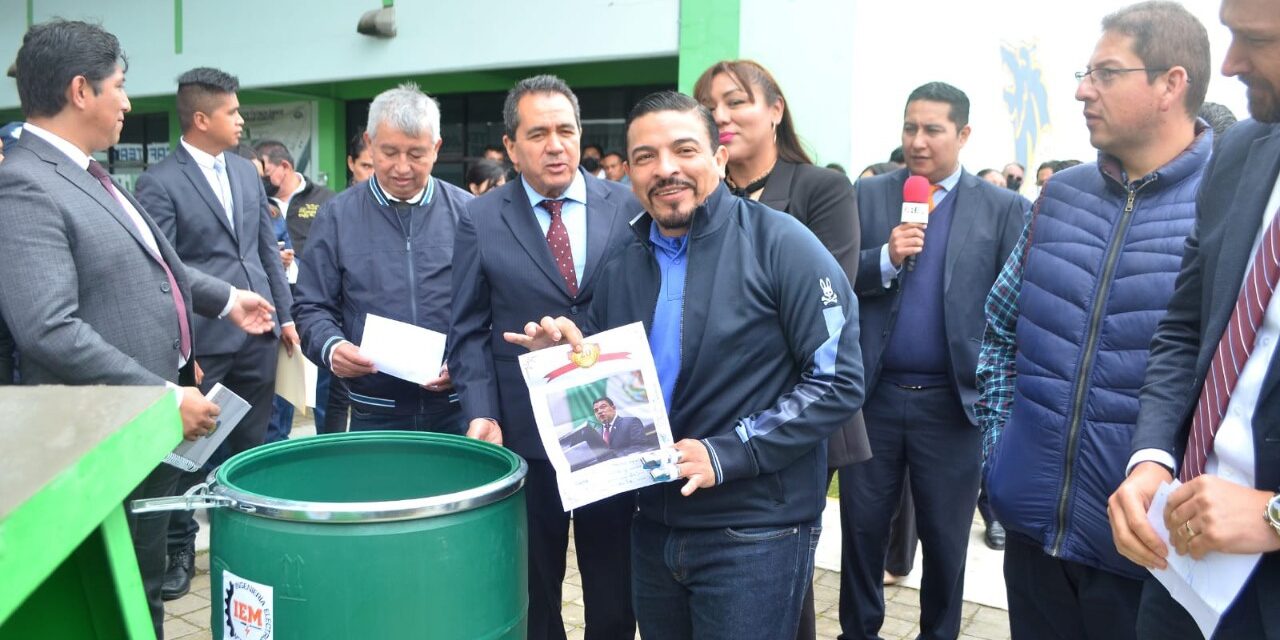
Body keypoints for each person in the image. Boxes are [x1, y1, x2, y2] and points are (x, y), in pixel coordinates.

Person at [505, 89, 864, 640]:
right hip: (652, 525)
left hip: (754, 530)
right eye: (645, 157)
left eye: (684, 149)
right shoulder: (625, 262)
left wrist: (730, 452)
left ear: (719, 157)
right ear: (629, 172)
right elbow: (620, 386)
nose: (665, 169)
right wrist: (573, 360)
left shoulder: (782, 244)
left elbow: (837, 379)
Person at [0, 20, 276, 638]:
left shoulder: (88, 174)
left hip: (142, 422)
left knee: (142, 579)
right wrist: (161, 393)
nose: (127, 102)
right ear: (80, 90)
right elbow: (48, 328)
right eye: (119, 87)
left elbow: (161, 268)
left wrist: (228, 299)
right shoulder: (25, 184)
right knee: (120, 585)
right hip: (98, 433)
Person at [976, 3, 1213, 638]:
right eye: (1086, 72)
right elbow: (1000, 332)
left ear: (1171, 84)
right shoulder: (1060, 198)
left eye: (1106, 73)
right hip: (1034, 541)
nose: (1082, 89)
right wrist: (1001, 454)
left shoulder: (1227, 206)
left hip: (1152, 555)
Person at [449, 74, 641, 640]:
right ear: (511, 146)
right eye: (538, 134)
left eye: (565, 130)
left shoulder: (628, 206)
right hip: (525, 434)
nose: (555, 145)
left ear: (580, 135)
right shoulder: (481, 218)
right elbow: (465, 328)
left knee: (613, 584)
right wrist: (480, 411)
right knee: (536, 589)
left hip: (612, 428)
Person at [1109, 0, 1280, 636]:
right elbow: (1185, 328)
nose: (1230, 63)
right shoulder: (1241, 150)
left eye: (1253, 40)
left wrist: (1274, 516)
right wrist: (1151, 458)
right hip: (1185, 563)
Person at [839, 81, 1029, 640]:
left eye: (932, 130)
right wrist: (884, 258)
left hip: (954, 407)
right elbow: (836, 281)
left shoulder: (1003, 209)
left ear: (963, 134)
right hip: (873, 399)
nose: (917, 141)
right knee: (861, 531)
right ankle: (858, 630)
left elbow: (1014, 307)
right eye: (909, 128)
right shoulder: (868, 196)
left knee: (947, 541)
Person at [693, 59, 869, 640]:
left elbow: (825, 308)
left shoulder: (820, 189)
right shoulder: (693, 196)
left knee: (780, 581)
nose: (721, 115)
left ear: (775, 110)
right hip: (706, 417)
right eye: (709, 105)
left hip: (795, 413)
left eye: (736, 101)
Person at [134, 66, 299, 602]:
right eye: (232, 112)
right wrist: (182, 352)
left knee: (248, 446)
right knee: (186, 455)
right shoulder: (158, 183)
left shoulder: (246, 172)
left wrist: (287, 315)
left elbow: (264, 249)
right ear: (201, 118)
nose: (241, 119)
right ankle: (179, 547)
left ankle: (242, 542)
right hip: (205, 343)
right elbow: (164, 270)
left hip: (258, 335)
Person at [294, 83, 468, 433]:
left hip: (457, 405)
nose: (402, 167)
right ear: (370, 145)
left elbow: (492, 304)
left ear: (436, 148)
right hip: (374, 410)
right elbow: (311, 306)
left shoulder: (468, 213)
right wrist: (332, 347)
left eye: (416, 154)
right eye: (389, 152)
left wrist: (466, 362)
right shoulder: (337, 216)